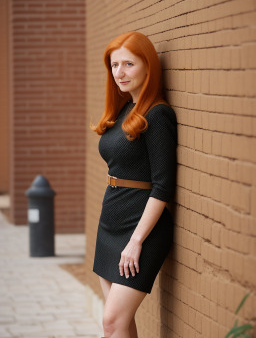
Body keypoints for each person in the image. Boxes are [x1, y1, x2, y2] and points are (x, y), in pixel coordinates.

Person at [91, 31, 177, 338]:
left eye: (129, 64)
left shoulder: (158, 115)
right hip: (111, 223)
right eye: (114, 65)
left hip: (141, 229)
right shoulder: (126, 110)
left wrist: (136, 241)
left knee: (111, 323)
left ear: (148, 67)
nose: (119, 73)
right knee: (122, 325)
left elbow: (163, 187)